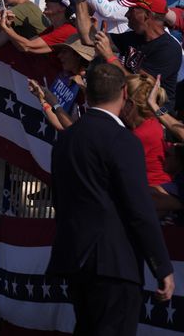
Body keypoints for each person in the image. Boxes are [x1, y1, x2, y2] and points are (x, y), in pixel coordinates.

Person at [46, 63, 174, 335]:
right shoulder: (123, 140)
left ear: (88, 95)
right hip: (115, 264)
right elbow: (139, 207)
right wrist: (161, 266)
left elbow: (58, 199)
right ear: (124, 94)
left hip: (76, 260)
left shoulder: (66, 140)